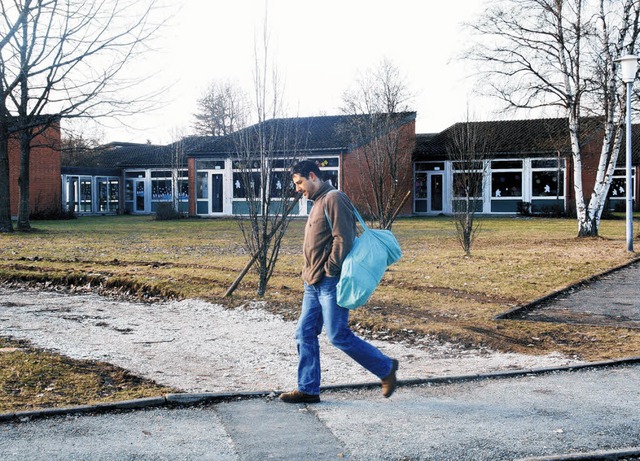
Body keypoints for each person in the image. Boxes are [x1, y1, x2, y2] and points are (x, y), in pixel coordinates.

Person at [279, 160, 398, 404]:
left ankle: (386, 368)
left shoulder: (334, 198)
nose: (298, 188)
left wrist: (330, 270)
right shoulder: (317, 202)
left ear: (312, 176)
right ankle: (308, 389)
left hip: (329, 282)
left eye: (299, 182)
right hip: (312, 283)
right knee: (304, 333)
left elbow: (343, 238)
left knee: (337, 335)